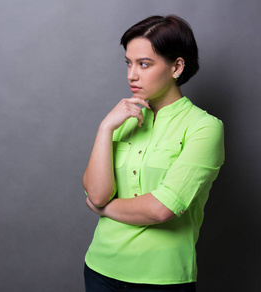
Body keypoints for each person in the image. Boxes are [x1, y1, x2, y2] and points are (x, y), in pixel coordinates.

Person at [83, 15, 225, 292]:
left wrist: (102, 208)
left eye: (144, 64)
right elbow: (97, 192)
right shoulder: (123, 118)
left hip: (160, 278)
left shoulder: (204, 128)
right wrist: (105, 128)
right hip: (99, 268)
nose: (131, 75)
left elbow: (162, 208)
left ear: (176, 67)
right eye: (129, 62)